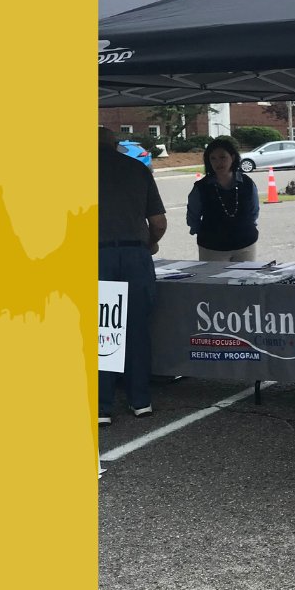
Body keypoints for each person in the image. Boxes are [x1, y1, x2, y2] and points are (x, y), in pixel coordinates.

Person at [98, 125, 167, 423]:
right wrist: (149, 243)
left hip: (97, 255)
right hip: (136, 254)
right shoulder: (138, 170)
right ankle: (140, 401)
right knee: (136, 327)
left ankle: (102, 406)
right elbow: (159, 222)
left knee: (103, 329)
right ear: (115, 145)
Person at [186, 137, 260, 261]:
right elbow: (193, 215)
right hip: (212, 247)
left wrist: (247, 226)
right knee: (214, 280)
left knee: (246, 279)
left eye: (222, 157)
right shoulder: (201, 187)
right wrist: (202, 232)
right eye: (213, 159)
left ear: (233, 157)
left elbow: (254, 210)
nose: (218, 163)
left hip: (245, 244)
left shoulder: (246, 183)